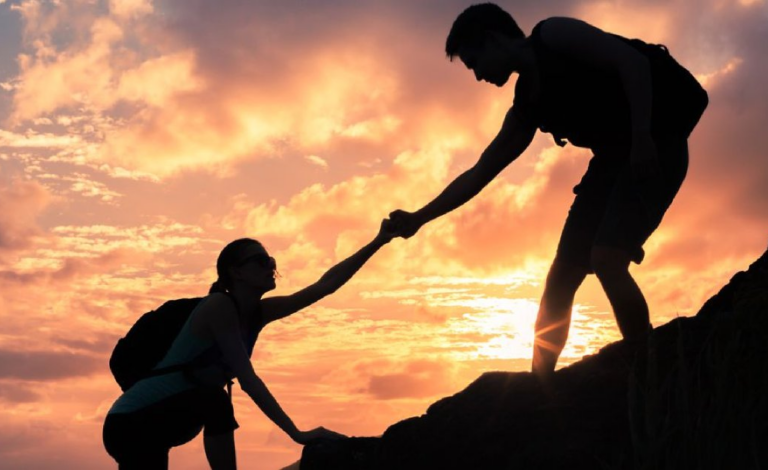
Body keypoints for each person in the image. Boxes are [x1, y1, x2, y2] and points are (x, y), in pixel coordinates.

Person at [389, 3, 707, 377]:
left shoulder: (554, 35)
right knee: (562, 276)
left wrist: (641, 138)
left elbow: (632, 63)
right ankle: (540, 388)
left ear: (493, 39)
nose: (477, 77)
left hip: (657, 145)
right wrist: (418, 218)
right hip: (612, 161)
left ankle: (650, 370)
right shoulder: (527, 106)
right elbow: (479, 173)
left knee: (606, 259)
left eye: (475, 63)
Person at [103, 219, 396, 469]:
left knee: (213, 399)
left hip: (166, 421)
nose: (270, 265)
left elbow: (325, 285)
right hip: (131, 422)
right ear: (236, 272)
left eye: (271, 261)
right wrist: (296, 433)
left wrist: (379, 241)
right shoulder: (219, 306)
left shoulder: (257, 313)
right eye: (260, 260)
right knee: (215, 399)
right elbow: (248, 380)